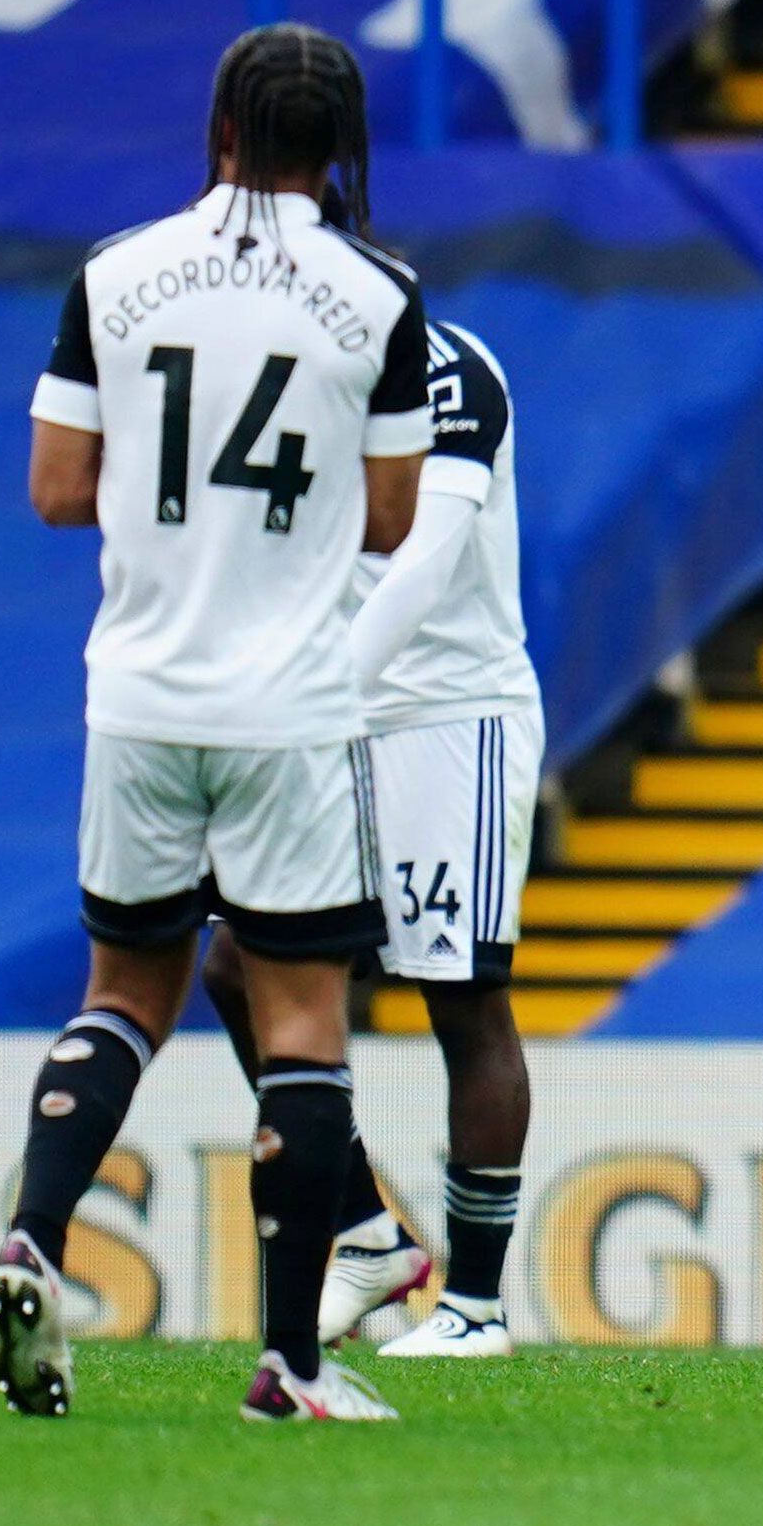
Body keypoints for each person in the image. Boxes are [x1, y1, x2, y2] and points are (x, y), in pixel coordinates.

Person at [0, 23, 430, 1421]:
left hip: (138, 692)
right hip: (288, 707)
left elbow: (58, 488)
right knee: (301, 1021)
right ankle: (293, 1367)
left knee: (121, 996)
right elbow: (393, 518)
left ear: (222, 132)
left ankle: (32, 1238)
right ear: (341, 147)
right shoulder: (379, 298)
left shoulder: (114, 275)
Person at [201, 318, 538, 1359]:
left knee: (461, 999)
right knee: (238, 965)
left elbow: (427, 559)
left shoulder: (450, 369)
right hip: (332, 712)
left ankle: (474, 1306)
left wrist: (310, 696)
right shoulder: (280, 370)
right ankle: (365, 1231)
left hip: (448, 713)